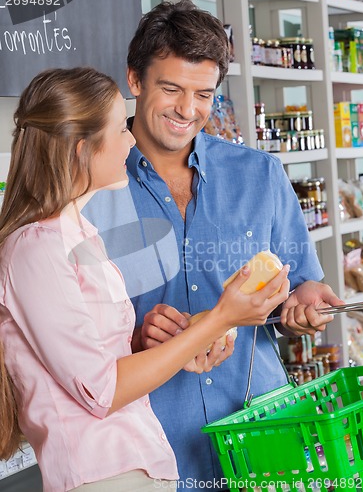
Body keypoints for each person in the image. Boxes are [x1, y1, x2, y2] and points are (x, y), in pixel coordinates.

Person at [82, 0, 344, 491]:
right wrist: (135, 339)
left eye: (203, 94)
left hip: (263, 434)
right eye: (171, 88)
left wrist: (304, 298)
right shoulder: (87, 190)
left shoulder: (259, 175)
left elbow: (301, 285)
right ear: (134, 80)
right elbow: (68, 341)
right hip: (149, 451)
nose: (188, 110)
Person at [0, 67, 291, 492]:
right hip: (100, 477)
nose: (132, 140)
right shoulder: (35, 249)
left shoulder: (81, 236)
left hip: (139, 468)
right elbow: (100, 391)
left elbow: (93, 360)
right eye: (120, 128)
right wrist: (221, 319)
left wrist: (167, 342)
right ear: (83, 150)